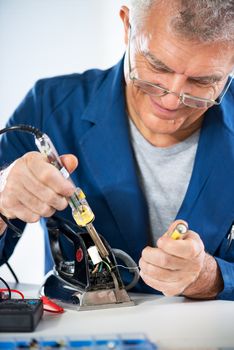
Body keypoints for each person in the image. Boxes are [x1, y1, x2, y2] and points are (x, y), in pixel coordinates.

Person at [0, 0, 234, 300]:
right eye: (157, 66)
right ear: (127, 25)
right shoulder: (50, 106)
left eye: (203, 81)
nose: (174, 100)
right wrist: (4, 194)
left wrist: (214, 277)